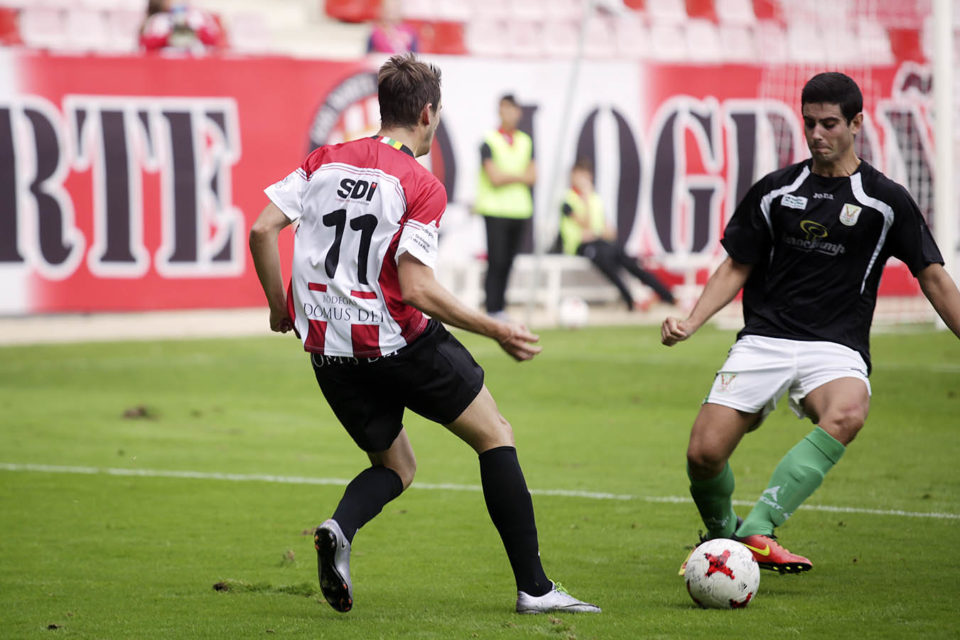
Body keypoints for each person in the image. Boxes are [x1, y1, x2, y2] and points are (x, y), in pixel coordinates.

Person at [249, 53, 600, 615]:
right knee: (495, 435)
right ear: (427, 114)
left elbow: (263, 229)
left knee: (396, 468)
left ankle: (339, 528)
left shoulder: (324, 161)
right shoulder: (420, 183)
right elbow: (416, 288)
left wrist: (278, 306)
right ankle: (535, 589)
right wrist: (495, 328)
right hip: (399, 342)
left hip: (330, 352)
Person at [661, 72, 960, 574]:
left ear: (856, 123)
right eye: (809, 123)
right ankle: (722, 538)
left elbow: (933, 277)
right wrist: (691, 322)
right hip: (764, 339)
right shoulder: (777, 191)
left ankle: (759, 528)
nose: (817, 134)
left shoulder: (885, 201)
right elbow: (736, 265)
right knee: (703, 453)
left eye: (829, 124)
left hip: (835, 346)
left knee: (848, 412)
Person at [560, 158, 676, 310]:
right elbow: (586, 223)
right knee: (606, 261)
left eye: (585, 175)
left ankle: (668, 296)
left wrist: (597, 231)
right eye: (579, 174)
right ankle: (631, 301)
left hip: (600, 243)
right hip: (579, 246)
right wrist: (586, 199)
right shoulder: (568, 199)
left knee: (629, 261)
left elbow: (609, 232)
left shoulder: (595, 199)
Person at [475, 94, 536, 318]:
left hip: (519, 210)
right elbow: (494, 177)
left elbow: (533, 176)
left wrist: (507, 175)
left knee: (509, 262)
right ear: (499, 111)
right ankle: (492, 308)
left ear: (519, 112)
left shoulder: (526, 141)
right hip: (495, 209)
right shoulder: (489, 140)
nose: (509, 113)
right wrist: (519, 176)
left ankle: (501, 307)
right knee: (496, 261)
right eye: (505, 109)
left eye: (513, 109)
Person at [140, 0, 223, 52]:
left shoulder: (199, 17)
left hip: (196, 63)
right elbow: (146, 45)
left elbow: (216, 41)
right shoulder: (158, 20)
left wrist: (194, 30)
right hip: (165, 64)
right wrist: (168, 37)